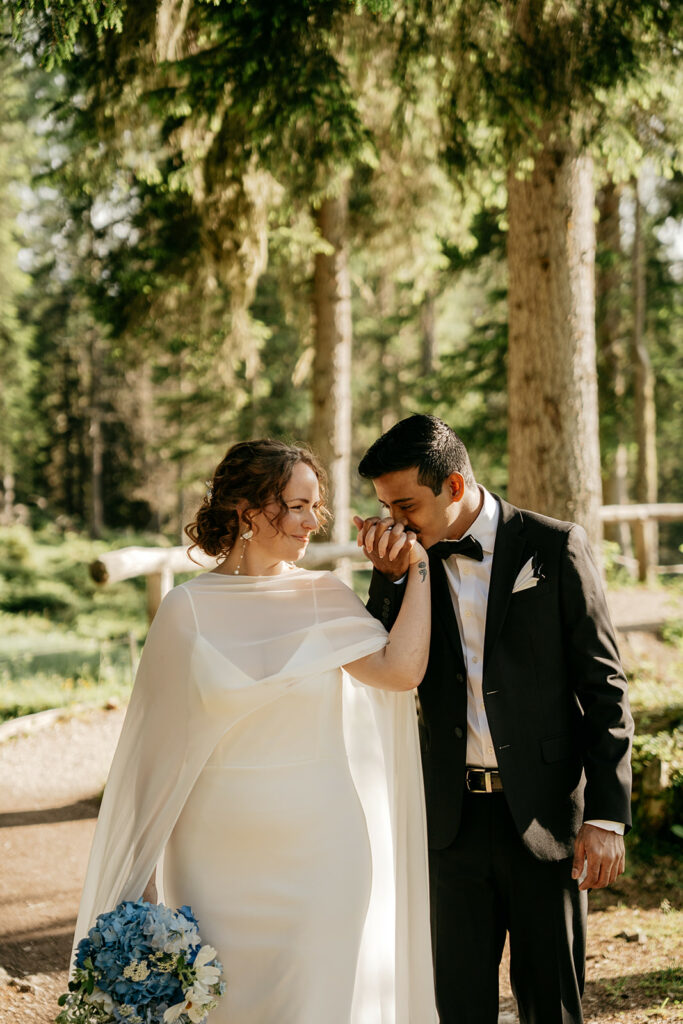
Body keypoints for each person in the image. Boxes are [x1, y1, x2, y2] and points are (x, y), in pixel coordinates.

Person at [71, 439, 438, 1023]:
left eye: (316, 507)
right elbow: (151, 757)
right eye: (297, 506)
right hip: (211, 863)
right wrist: (140, 890)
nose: (312, 523)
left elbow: (400, 671)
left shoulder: (324, 597)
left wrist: (418, 567)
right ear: (247, 511)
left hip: (325, 854)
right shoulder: (184, 611)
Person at [354, 414, 634, 1024]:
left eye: (406, 507)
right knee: (455, 1004)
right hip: (448, 823)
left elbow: (604, 685)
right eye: (383, 507)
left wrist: (607, 814)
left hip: (545, 818)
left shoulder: (555, 546)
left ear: (454, 487)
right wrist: (388, 580)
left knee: (552, 1004)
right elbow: (381, 668)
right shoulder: (402, 561)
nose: (394, 523)